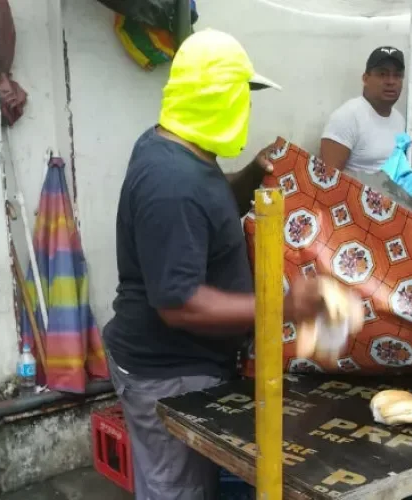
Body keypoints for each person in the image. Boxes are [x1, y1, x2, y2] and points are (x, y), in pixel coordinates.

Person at [101, 29, 328, 499]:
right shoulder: (171, 183)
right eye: (240, 96)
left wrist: (249, 176)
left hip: (184, 366)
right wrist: (283, 306)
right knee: (176, 491)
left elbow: (205, 201)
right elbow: (179, 304)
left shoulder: (174, 146)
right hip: (168, 372)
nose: (246, 108)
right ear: (213, 96)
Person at [319, 46, 412, 206]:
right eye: (382, 74)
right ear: (365, 78)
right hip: (356, 216)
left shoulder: (399, 120)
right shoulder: (348, 116)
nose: (391, 81)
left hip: (392, 215)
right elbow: (326, 183)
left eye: (397, 75)